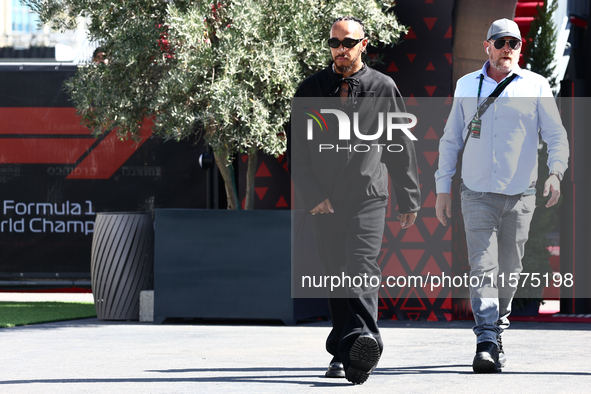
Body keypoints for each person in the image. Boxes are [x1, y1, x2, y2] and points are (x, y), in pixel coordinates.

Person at [288, 16, 421, 384]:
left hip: (368, 198)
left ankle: (363, 344)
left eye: (347, 42)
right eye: (334, 42)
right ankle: (344, 351)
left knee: (361, 270)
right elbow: (297, 151)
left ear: (365, 43)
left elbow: (400, 146)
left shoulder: (383, 87)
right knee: (335, 276)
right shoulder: (310, 89)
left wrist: (409, 197)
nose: (340, 49)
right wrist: (313, 197)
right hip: (325, 203)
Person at [434, 18, 569, 373]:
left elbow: (556, 136)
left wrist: (555, 173)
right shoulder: (467, 85)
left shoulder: (536, 86)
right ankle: (486, 340)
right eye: (501, 42)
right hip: (475, 193)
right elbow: (450, 140)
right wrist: (442, 189)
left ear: (520, 49)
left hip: (521, 194)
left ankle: (498, 328)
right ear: (487, 46)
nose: (507, 49)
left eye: (514, 43)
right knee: (482, 267)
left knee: (510, 269)